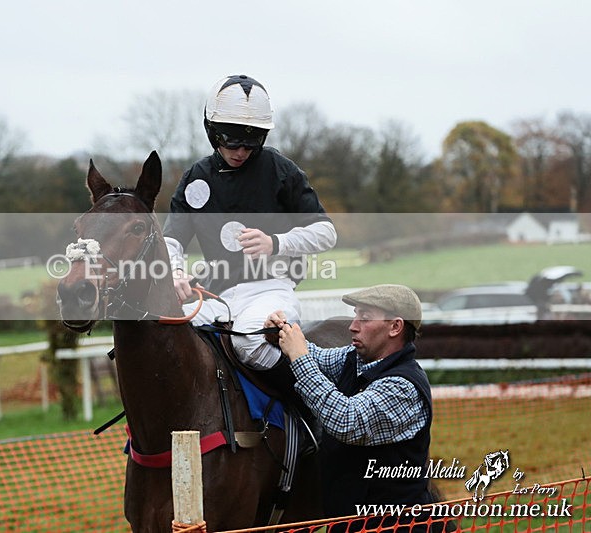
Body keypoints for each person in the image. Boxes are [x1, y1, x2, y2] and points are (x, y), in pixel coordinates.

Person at [162, 74, 337, 377]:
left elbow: (326, 232)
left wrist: (276, 243)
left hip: (270, 289)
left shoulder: (281, 170)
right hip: (215, 294)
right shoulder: (195, 177)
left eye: (249, 143)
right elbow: (172, 239)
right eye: (231, 142)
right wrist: (175, 271)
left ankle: (306, 412)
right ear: (212, 132)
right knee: (167, 335)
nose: (240, 152)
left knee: (248, 342)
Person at [265, 284, 445, 531]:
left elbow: (346, 421)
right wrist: (283, 335)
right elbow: (314, 356)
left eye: (365, 318)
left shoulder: (403, 387)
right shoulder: (356, 358)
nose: (353, 325)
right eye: (355, 315)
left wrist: (298, 357)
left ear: (395, 327)